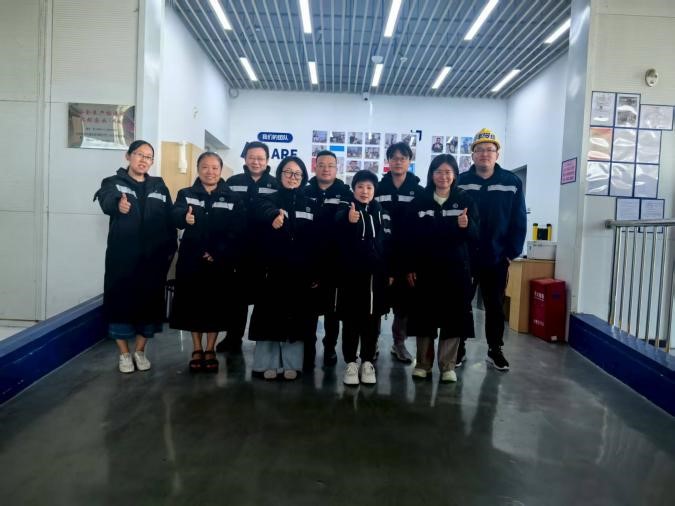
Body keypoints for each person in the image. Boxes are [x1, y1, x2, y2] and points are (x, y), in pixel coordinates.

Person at [94, 140, 176, 373]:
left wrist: (170, 250)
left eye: (148, 157)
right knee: (120, 304)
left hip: (153, 259)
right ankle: (124, 354)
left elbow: (170, 219)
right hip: (123, 259)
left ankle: (140, 351)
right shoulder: (113, 183)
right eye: (139, 154)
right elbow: (106, 201)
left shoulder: (159, 186)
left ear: (152, 161)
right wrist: (117, 205)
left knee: (149, 306)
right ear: (128, 156)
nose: (143, 160)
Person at [456, 128, 527, 371]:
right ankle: (459, 347)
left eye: (490, 149)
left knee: (495, 306)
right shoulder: (461, 182)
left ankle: (495, 349)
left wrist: (510, 253)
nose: (485, 154)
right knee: (461, 303)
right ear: (472, 155)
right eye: (479, 150)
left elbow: (519, 220)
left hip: (497, 257)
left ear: (497, 154)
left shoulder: (511, 182)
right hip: (466, 257)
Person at [170, 152, 246, 372]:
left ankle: (210, 348)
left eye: (214, 168)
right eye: (205, 167)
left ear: (221, 171)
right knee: (192, 305)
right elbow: (175, 214)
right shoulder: (186, 193)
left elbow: (237, 229)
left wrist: (217, 252)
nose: (210, 172)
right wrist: (184, 217)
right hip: (191, 261)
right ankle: (196, 348)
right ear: (198, 169)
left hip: (220, 262)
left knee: (215, 306)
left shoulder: (232, 197)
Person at [406, 155, 479, 382]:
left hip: (455, 269)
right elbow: (410, 237)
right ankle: (423, 364)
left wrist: (467, 226)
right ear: (431, 174)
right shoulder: (420, 200)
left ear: (454, 175)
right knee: (424, 317)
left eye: (448, 172)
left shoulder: (465, 200)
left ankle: (448, 366)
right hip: (426, 268)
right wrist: (410, 266)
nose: (443, 176)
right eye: (438, 171)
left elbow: (476, 235)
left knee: (452, 317)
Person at [248, 156, 319, 380]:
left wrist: (315, 271)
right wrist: (273, 217)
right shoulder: (267, 199)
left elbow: (319, 240)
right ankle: (265, 364)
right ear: (280, 175)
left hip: (300, 273)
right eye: (288, 172)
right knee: (269, 318)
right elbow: (260, 211)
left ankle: (292, 365)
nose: (292, 177)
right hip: (271, 271)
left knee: (295, 320)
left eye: (297, 173)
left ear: (303, 177)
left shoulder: (311, 204)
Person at [215, 141, 279, 354]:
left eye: (260, 158)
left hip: (265, 250)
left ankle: (262, 339)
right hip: (237, 249)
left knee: (264, 298)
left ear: (267, 160)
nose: (256, 162)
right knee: (236, 298)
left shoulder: (275, 184)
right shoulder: (233, 182)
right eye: (252, 157)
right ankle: (233, 338)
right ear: (245, 158)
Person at [335, 170, 391, 386]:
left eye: (369, 187)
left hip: (375, 279)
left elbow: (389, 243)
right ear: (354, 189)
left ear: (375, 190)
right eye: (360, 187)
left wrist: (390, 271)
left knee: (371, 322)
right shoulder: (345, 209)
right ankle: (351, 362)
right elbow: (336, 233)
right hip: (351, 277)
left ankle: (367, 361)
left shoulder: (383, 212)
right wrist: (348, 221)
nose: (364, 191)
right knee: (350, 321)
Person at [375, 141, 424, 363]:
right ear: (388, 161)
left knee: (403, 306)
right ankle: (372, 342)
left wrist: (415, 262)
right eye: (394, 158)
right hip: (381, 256)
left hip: (407, 256)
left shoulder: (419, 191)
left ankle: (399, 343)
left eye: (402, 158)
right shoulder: (378, 188)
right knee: (377, 303)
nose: (398, 161)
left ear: (409, 161)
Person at [303, 150, 352, 369]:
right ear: (315, 167)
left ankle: (330, 347)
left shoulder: (345, 193)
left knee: (333, 310)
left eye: (330, 165)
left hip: (335, 260)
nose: (326, 169)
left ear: (336, 168)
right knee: (309, 309)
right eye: (321, 164)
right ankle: (308, 347)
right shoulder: (304, 191)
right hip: (310, 258)